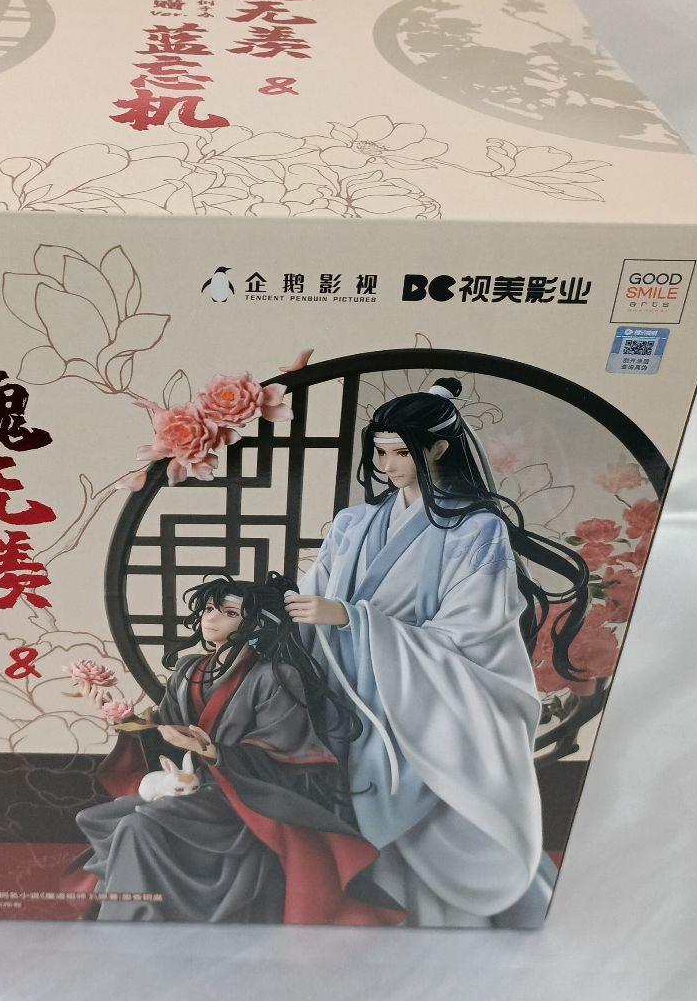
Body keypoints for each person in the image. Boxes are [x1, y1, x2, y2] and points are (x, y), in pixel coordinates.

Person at [285, 377, 590, 927]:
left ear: (438, 449)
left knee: (430, 813)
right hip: (347, 688)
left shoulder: (476, 530)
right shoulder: (355, 523)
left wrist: (354, 619)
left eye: (402, 453)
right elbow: (313, 597)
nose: (387, 465)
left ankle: (451, 931)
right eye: (380, 452)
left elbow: (472, 631)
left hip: (428, 697)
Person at [72, 572, 404, 924]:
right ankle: (132, 922)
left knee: (137, 826)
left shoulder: (275, 676)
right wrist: (124, 719)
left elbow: (287, 753)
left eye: (229, 613)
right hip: (188, 788)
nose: (211, 618)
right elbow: (164, 738)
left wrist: (216, 753)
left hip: (243, 796)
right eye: (209, 609)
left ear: (255, 623)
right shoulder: (187, 671)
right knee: (101, 817)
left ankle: (131, 925)